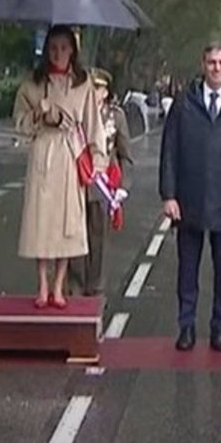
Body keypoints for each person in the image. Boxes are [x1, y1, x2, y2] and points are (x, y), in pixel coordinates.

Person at [159, 43, 221, 352]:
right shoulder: (184, 103)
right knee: (187, 269)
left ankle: (220, 327)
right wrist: (169, 194)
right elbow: (169, 151)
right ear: (202, 64)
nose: (216, 68)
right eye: (211, 63)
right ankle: (186, 326)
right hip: (189, 199)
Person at [14, 26, 107, 308]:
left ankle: (59, 287)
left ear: (73, 50)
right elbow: (20, 122)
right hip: (43, 154)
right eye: (53, 48)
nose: (58, 53)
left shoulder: (83, 84)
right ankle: (42, 284)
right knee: (41, 221)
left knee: (68, 222)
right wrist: (40, 113)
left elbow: (94, 124)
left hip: (69, 155)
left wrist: (98, 160)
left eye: (64, 48)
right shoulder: (32, 83)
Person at [70, 68, 133, 296]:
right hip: (75, 186)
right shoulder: (75, 114)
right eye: (89, 87)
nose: (92, 92)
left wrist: (123, 188)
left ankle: (96, 289)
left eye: (97, 88)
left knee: (98, 241)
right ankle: (75, 287)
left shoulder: (115, 116)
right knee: (74, 239)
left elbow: (125, 154)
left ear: (105, 92)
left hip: (102, 186)